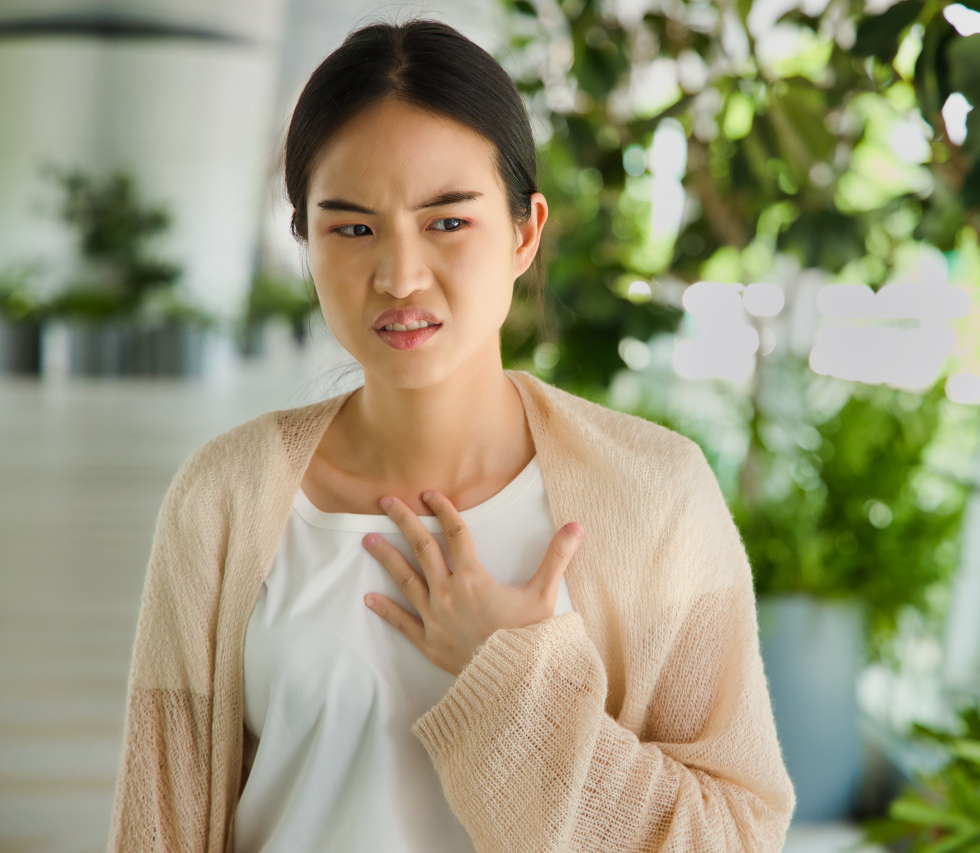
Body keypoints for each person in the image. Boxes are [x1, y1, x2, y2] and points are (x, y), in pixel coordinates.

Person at [108, 18, 794, 853]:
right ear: (306, 245)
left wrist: (510, 679)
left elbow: (736, 833)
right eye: (352, 227)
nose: (399, 276)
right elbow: (160, 821)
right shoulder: (223, 497)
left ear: (525, 231)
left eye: (447, 222)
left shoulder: (656, 494)